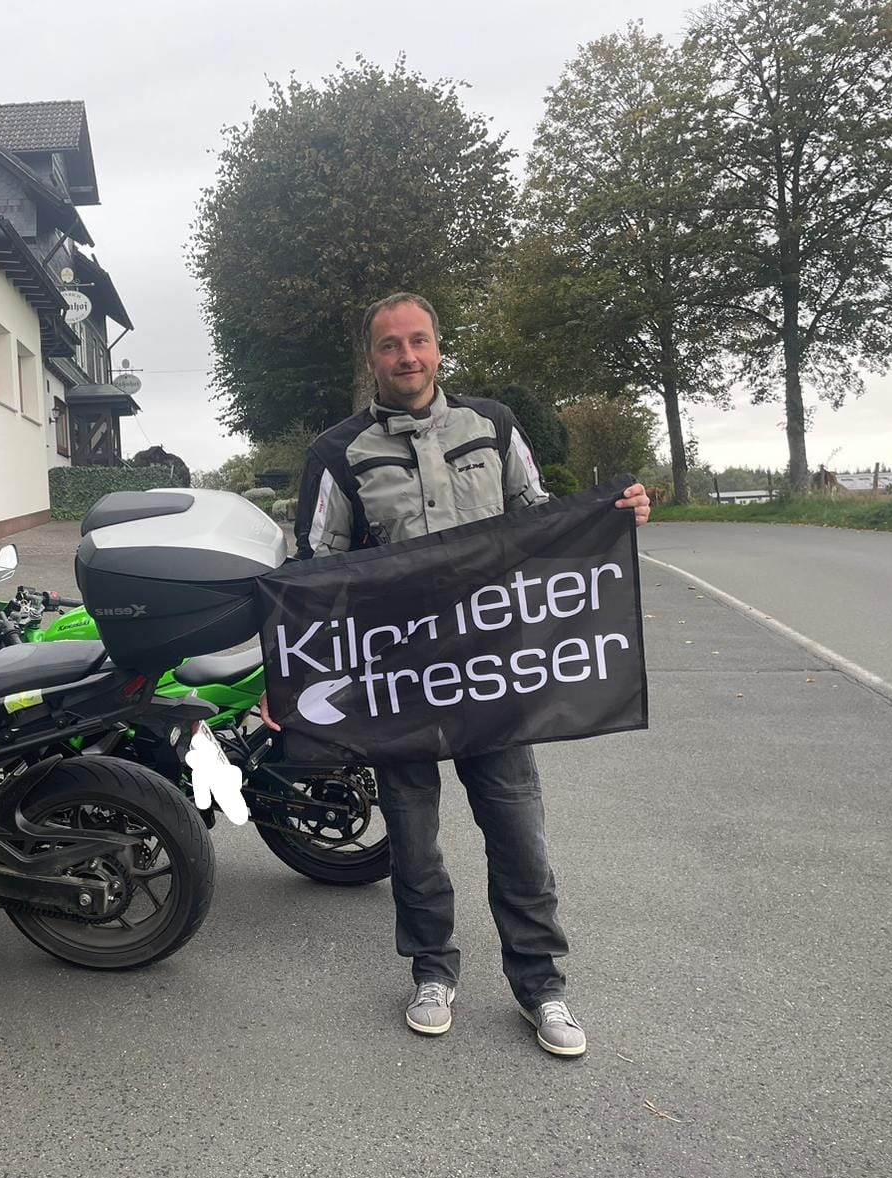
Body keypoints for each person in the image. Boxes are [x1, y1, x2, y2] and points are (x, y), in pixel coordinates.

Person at [260, 292, 650, 1053]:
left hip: (493, 671)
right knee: (412, 835)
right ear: (371, 358)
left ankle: (541, 985)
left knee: (517, 831)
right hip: (397, 680)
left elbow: (542, 522)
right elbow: (311, 574)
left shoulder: (492, 426)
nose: (407, 357)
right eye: (390, 345)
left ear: (439, 347)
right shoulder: (337, 452)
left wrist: (613, 514)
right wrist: (288, 680)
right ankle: (432, 970)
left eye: (419, 341)